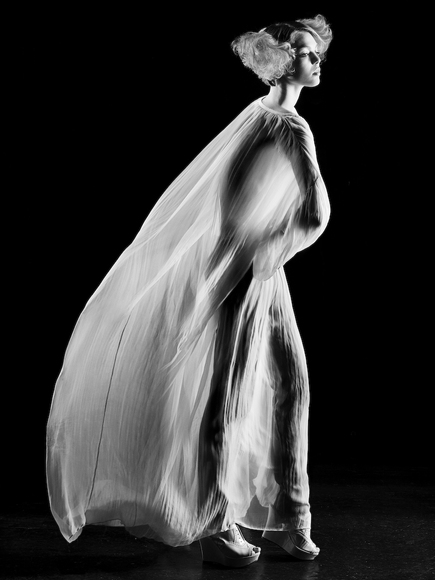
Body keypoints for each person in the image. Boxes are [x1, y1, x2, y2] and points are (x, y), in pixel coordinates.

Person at [46, 14, 332, 568]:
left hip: (250, 267)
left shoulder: (258, 116)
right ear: (279, 61)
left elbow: (231, 202)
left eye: (316, 52)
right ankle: (221, 523)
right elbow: (316, 213)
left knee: (281, 384)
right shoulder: (286, 127)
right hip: (249, 270)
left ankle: (288, 516)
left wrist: (259, 249)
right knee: (236, 394)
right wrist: (268, 248)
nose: (315, 61)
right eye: (303, 52)